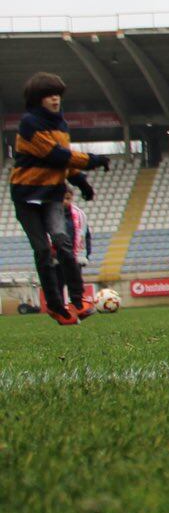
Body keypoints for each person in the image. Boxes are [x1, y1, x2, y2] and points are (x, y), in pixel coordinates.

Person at [10, 72, 110, 325]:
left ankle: (78, 301)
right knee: (43, 250)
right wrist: (92, 160)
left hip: (53, 194)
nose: (55, 99)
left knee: (63, 244)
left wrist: (81, 182)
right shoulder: (29, 123)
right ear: (38, 99)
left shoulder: (61, 124)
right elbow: (55, 155)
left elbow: (64, 160)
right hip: (26, 195)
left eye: (57, 95)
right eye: (49, 95)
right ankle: (55, 306)